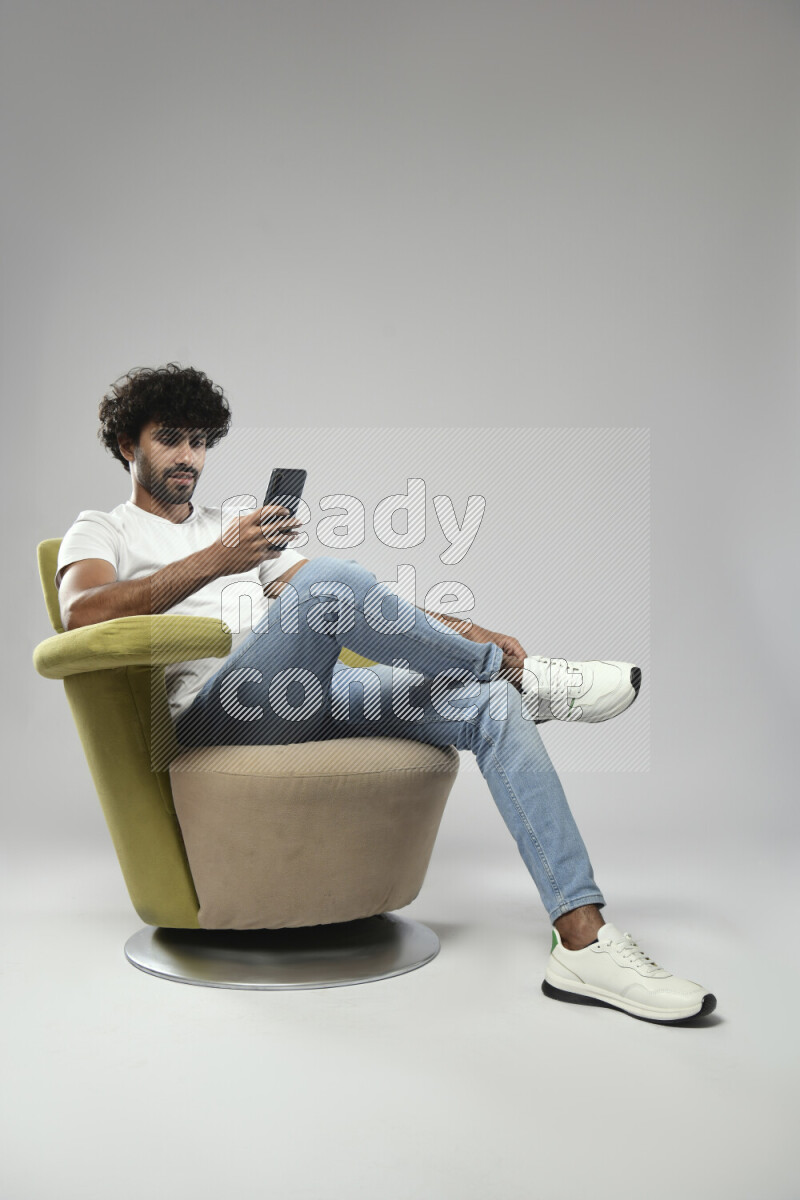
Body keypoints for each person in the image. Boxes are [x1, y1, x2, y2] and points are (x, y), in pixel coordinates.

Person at [56, 363, 716, 1024]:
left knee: (487, 703)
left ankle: (583, 938)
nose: (188, 456)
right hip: (212, 718)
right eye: (170, 438)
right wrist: (218, 560)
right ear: (127, 446)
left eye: (199, 441)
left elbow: (364, 606)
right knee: (329, 586)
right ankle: (516, 672)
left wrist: (473, 631)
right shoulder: (105, 529)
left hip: (307, 695)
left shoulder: (233, 528)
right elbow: (84, 613)